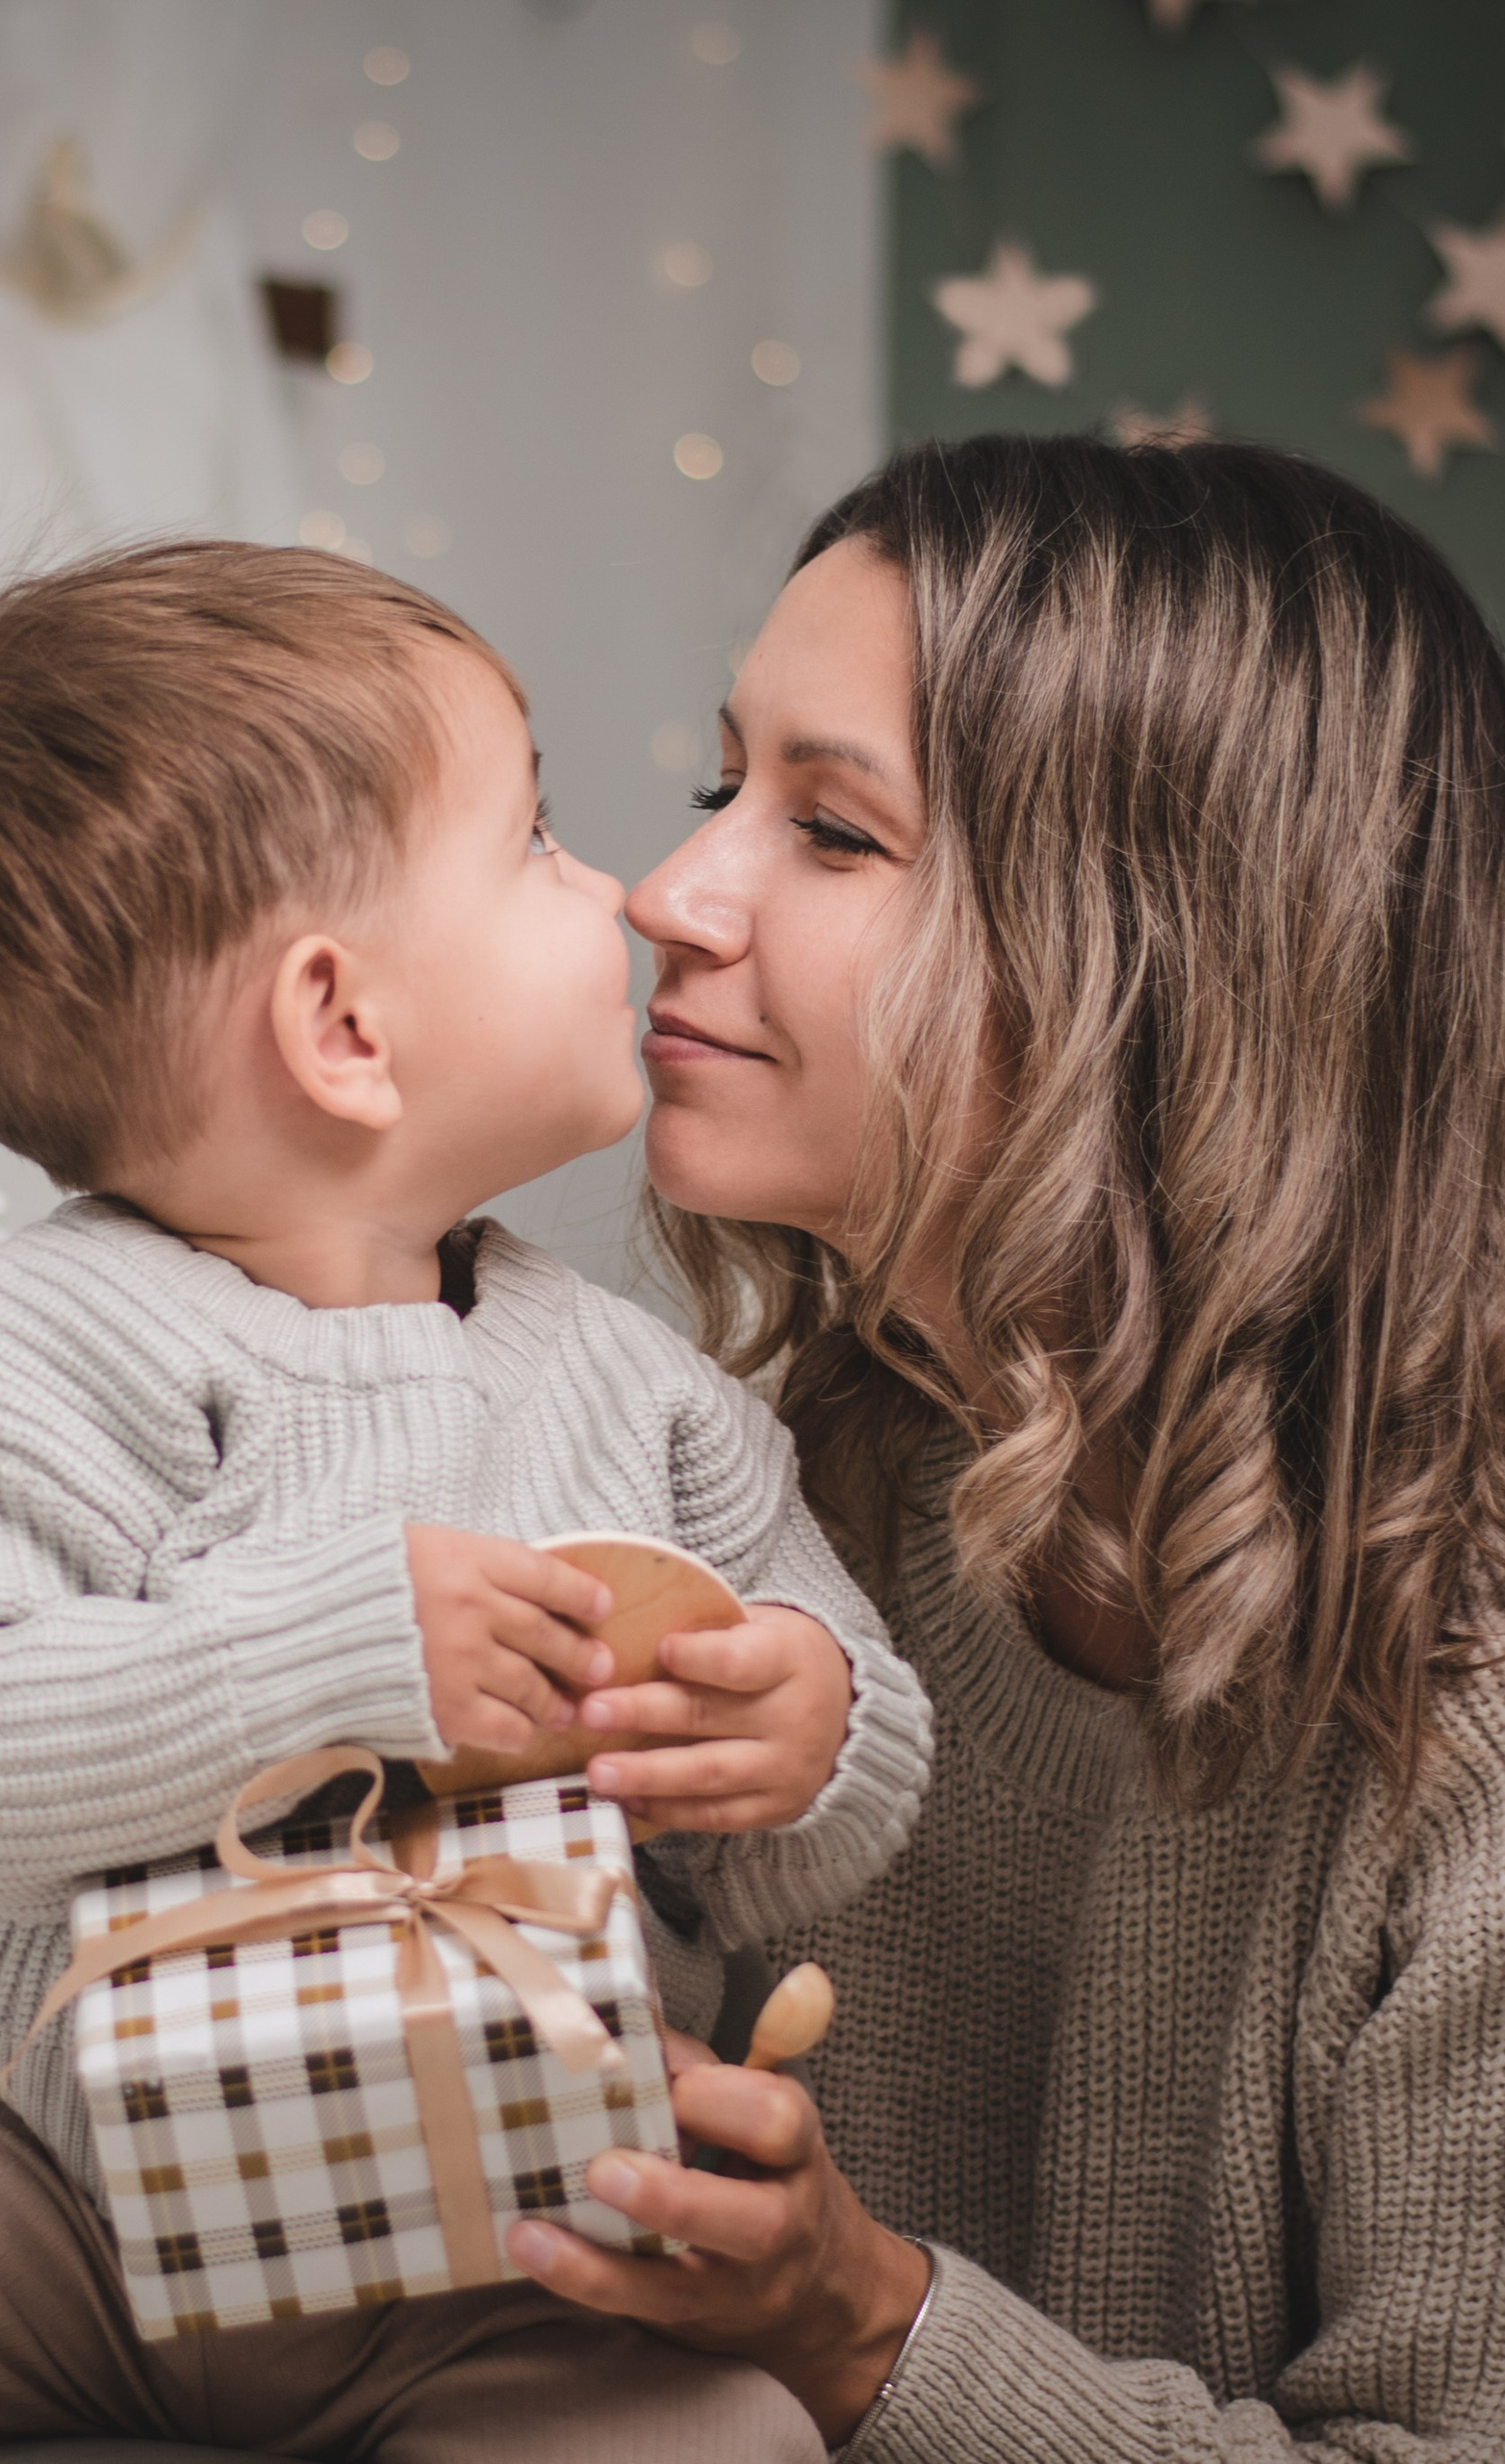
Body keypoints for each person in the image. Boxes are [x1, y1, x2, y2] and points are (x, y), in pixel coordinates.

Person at [0, 543, 933, 2463]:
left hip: (497, 2241)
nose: (616, 886)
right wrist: (332, 1657)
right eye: (535, 839)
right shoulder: (45, 1349)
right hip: (26, 2189)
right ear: (344, 1029)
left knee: (730, 2439)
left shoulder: (643, 1399)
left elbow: (829, 1814)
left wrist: (799, 1721)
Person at [503, 435, 1505, 2460]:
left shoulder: (1450, 1718)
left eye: (833, 832)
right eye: (724, 788)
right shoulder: (797, 1504)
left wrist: (864, 2328)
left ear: (1164, 955)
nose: (668, 891)